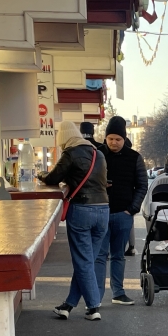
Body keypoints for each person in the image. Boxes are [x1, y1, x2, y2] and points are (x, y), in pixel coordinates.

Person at [38, 121, 109, 321]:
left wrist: (41, 174)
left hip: (82, 211)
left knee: (83, 261)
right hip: (103, 210)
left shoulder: (70, 153)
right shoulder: (99, 154)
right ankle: (68, 305)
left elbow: (53, 178)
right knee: (86, 261)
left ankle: (93, 307)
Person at [94, 116, 148, 305]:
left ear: (124, 139)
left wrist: (132, 209)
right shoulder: (97, 154)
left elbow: (142, 185)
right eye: (111, 139)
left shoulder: (134, 158)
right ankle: (96, 297)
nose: (114, 143)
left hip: (123, 214)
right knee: (100, 257)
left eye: (118, 139)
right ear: (105, 138)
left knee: (118, 256)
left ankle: (118, 293)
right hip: (100, 214)